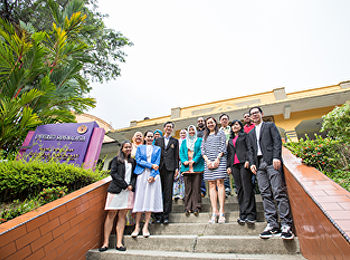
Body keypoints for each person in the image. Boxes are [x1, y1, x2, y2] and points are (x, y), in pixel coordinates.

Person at [246, 106, 294, 240]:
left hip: (271, 162)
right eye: (252, 114)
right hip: (258, 164)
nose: (254, 115)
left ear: (261, 114)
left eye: (256, 113)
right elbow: (250, 150)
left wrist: (276, 157)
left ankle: (286, 224)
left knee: (278, 191)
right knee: (265, 193)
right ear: (250, 118)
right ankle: (272, 224)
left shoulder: (269, 126)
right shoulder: (250, 133)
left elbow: (277, 142)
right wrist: (252, 163)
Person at [99, 141, 136, 252]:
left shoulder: (132, 161)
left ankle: (119, 243)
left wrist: (131, 186)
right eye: (126, 147)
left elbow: (134, 175)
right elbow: (113, 173)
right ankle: (105, 243)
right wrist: (125, 185)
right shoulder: (116, 160)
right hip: (117, 190)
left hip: (127, 191)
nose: (128, 149)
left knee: (122, 215)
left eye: (130, 147)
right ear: (122, 148)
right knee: (111, 214)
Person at [131, 130, 163, 238]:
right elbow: (138, 160)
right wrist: (150, 165)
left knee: (150, 200)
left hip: (152, 176)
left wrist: (153, 175)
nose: (150, 138)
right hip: (141, 174)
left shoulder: (158, 149)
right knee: (140, 199)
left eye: (151, 137)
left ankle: (145, 226)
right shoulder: (140, 148)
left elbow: (157, 163)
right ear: (145, 138)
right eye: (148, 136)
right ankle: (136, 227)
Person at [227, 120, 256, 225]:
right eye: (233, 125)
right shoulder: (230, 140)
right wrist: (228, 166)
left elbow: (249, 149)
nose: (235, 126)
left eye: (237, 124)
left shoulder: (245, 136)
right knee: (239, 190)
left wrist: (249, 160)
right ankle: (243, 214)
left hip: (244, 164)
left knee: (247, 188)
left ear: (240, 126)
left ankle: (251, 214)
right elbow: (229, 154)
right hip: (234, 166)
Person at [201, 116, 227, 223]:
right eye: (208, 123)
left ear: (215, 123)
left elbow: (223, 147)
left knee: (220, 183)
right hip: (208, 161)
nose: (210, 124)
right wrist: (207, 161)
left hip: (219, 160)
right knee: (211, 184)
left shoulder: (221, 133)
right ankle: (214, 211)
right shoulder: (205, 136)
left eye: (212, 122)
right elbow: (202, 150)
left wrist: (218, 159)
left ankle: (222, 211)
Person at [154, 121, 179, 224]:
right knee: (158, 191)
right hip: (159, 168)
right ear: (164, 128)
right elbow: (155, 154)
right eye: (167, 126)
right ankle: (157, 215)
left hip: (170, 168)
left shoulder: (175, 141)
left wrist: (176, 168)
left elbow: (176, 155)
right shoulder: (158, 140)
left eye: (170, 127)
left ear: (172, 129)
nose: (168, 128)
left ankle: (166, 215)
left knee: (168, 192)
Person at [180, 125, 204, 216]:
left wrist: (195, 160)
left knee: (196, 188)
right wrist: (184, 161)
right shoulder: (184, 142)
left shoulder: (200, 140)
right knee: (188, 189)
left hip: (196, 166)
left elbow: (200, 152)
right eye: (189, 130)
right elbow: (181, 153)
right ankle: (187, 208)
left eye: (193, 130)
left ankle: (196, 207)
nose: (191, 132)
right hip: (186, 167)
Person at [219, 113, 232, 197]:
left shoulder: (231, 129)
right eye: (222, 119)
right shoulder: (218, 131)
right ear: (220, 121)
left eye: (226, 119)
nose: (224, 120)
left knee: (233, 169)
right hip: (222, 153)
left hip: (232, 151)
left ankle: (237, 189)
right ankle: (226, 189)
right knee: (224, 170)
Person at [173, 129, 187, 200]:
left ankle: (183, 194)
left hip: (185, 162)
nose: (183, 134)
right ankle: (175, 194)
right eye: (181, 133)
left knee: (183, 179)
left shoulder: (188, 141)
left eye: (184, 133)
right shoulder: (177, 142)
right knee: (176, 178)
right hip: (178, 162)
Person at [197, 116, 207, 197]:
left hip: (209, 154)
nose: (200, 122)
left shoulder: (208, 131)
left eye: (201, 121)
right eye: (199, 121)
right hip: (199, 156)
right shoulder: (196, 134)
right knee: (201, 174)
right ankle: (202, 191)